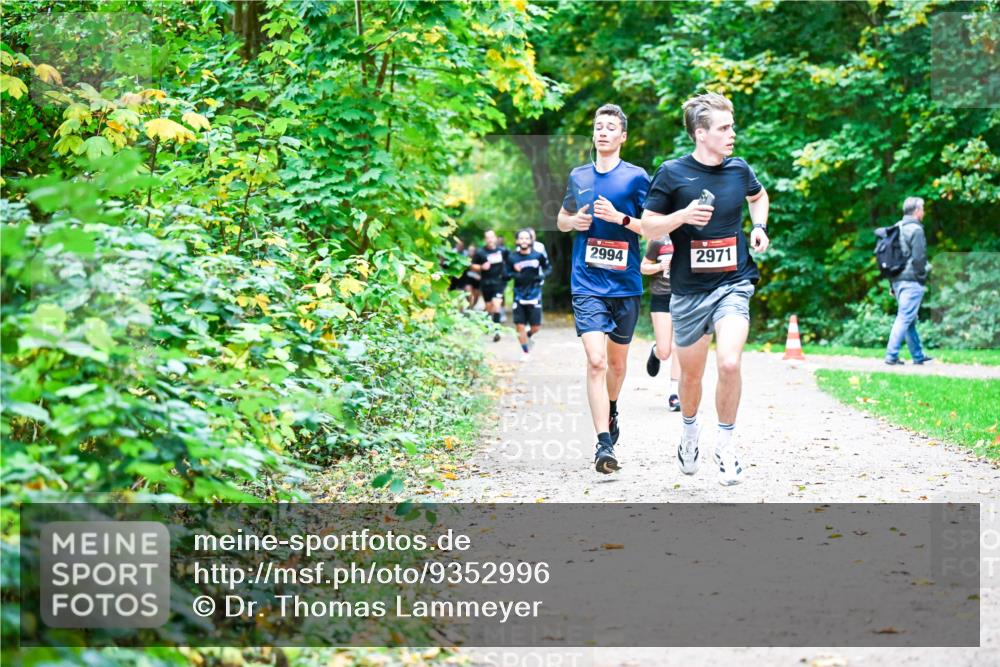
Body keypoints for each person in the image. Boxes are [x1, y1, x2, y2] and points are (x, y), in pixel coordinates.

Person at [640, 92, 770, 486]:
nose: (733, 134)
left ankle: (727, 446)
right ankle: (691, 433)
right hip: (688, 291)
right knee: (690, 379)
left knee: (729, 363)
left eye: (732, 126)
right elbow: (647, 225)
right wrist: (680, 216)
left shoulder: (739, 169)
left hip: (734, 282)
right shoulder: (672, 173)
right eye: (725, 128)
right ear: (701, 134)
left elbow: (758, 196)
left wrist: (759, 227)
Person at [556, 103, 650, 474]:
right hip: (587, 281)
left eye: (611, 127)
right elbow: (562, 220)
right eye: (598, 126)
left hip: (625, 282)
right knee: (595, 360)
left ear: (623, 136)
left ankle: (611, 407)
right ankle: (603, 444)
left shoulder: (637, 178)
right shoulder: (579, 176)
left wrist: (620, 219)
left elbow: (653, 227)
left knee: (616, 363)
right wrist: (574, 221)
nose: (603, 132)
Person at [885, 196, 933, 366]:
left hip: (897, 280)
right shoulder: (916, 230)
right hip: (911, 280)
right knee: (905, 317)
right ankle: (891, 356)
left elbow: (890, 259)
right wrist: (921, 278)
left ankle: (918, 356)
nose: (924, 212)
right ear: (916, 211)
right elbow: (919, 258)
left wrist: (892, 284)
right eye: (923, 209)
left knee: (909, 319)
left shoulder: (896, 228)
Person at [641, 235, 682, 411]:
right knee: (666, 351)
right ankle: (656, 351)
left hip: (685, 296)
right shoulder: (659, 240)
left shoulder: (691, 236)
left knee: (680, 345)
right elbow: (643, 267)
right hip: (661, 297)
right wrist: (659, 266)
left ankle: (674, 395)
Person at [506, 229, 551, 361]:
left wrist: (542, 275)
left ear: (531, 240)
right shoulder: (512, 257)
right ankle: (525, 352)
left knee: (536, 327)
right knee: (519, 325)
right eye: (521, 238)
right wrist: (514, 274)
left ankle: (529, 335)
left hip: (534, 293)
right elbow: (505, 275)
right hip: (518, 295)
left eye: (527, 238)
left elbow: (548, 268)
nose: (524, 241)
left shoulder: (538, 255)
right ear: (517, 241)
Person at [471, 230, 508, 342]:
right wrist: (481, 267)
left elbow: (511, 261)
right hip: (486, 282)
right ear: (485, 239)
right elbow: (472, 266)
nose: (490, 239)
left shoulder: (503, 251)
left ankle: (496, 331)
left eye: (492, 237)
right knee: (489, 307)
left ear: (495, 238)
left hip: (499, 282)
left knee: (496, 305)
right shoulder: (480, 252)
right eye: (488, 237)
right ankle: (485, 321)